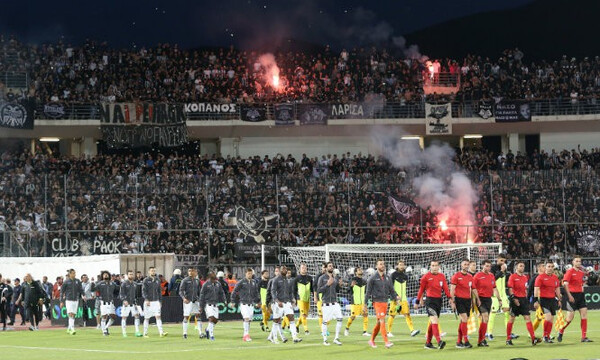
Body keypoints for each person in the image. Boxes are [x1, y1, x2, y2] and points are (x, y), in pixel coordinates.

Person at [415, 260, 453, 350]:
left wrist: (450, 298)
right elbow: (421, 290)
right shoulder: (425, 277)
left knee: (432, 322)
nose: (435, 267)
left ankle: (428, 343)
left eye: (436, 265)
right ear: (430, 267)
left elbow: (446, 288)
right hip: (430, 301)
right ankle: (439, 341)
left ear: (438, 266)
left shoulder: (442, 276)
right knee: (434, 320)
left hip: (438, 301)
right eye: (433, 265)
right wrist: (417, 301)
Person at [365, 259, 399, 349]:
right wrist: (365, 304)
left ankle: (371, 340)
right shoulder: (372, 278)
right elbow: (368, 292)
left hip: (385, 302)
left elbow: (392, 290)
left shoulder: (388, 277)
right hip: (377, 302)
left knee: (379, 322)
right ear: (376, 266)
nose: (382, 266)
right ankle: (386, 342)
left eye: (383, 264)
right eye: (380, 264)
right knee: (383, 320)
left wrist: (396, 298)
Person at [506, 260, 541, 346]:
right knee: (511, 319)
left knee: (528, 318)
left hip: (523, 300)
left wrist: (526, 299)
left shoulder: (525, 277)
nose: (522, 267)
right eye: (520, 266)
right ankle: (508, 339)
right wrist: (514, 299)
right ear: (516, 267)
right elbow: (510, 288)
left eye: (523, 266)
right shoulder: (512, 277)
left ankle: (533, 339)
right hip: (515, 300)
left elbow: (525, 289)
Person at [559, 256, 592, 343]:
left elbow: (581, 284)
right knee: (569, 318)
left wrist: (582, 291)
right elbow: (565, 284)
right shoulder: (569, 272)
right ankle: (561, 330)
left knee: (584, 315)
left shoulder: (581, 273)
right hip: (572, 295)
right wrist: (569, 296)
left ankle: (584, 337)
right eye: (577, 261)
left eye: (580, 261)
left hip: (580, 296)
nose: (578, 262)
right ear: (573, 262)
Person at [473, 259, 502, 347]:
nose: (488, 268)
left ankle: (481, 340)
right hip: (480, 299)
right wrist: (476, 299)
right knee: (485, 318)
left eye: (489, 266)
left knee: (485, 320)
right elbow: (473, 289)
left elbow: (494, 288)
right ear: (482, 266)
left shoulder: (491, 276)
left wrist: (499, 299)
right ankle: (481, 340)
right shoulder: (477, 276)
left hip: (488, 299)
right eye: (486, 266)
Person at [387, 260, 419, 337]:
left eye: (403, 265)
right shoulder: (393, 275)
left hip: (404, 299)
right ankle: (389, 332)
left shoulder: (405, 276)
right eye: (400, 265)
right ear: (397, 266)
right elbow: (390, 287)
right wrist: (395, 296)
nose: (402, 266)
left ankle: (412, 330)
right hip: (395, 299)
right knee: (392, 315)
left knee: (407, 314)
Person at [271, 265, 302, 343]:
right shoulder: (276, 280)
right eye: (283, 269)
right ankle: (274, 338)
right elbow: (273, 291)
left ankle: (294, 337)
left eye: (285, 269)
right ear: (280, 270)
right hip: (279, 303)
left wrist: (293, 299)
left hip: (287, 302)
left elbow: (290, 292)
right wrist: (277, 301)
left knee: (291, 318)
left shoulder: (289, 280)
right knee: (276, 320)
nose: (285, 270)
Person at [534, 261, 562, 343]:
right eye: (548, 266)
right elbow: (536, 289)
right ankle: (545, 336)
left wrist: (559, 299)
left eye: (552, 266)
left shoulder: (555, 278)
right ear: (545, 267)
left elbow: (557, 289)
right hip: (543, 300)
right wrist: (536, 301)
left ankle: (547, 336)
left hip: (552, 300)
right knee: (548, 317)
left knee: (551, 319)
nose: (550, 268)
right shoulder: (540, 277)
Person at [317, 262, 344, 346]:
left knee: (340, 319)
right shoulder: (322, 278)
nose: (331, 267)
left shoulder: (335, 278)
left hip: (335, 303)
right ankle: (325, 340)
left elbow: (337, 290)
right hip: (326, 304)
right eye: (329, 266)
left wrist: (340, 285)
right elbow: (319, 290)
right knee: (325, 322)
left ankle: (336, 338)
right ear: (326, 268)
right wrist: (327, 284)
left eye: (332, 266)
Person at [231, 268, 261, 342]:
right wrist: (232, 301)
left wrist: (258, 301)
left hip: (251, 304)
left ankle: (246, 334)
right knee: (246, 318)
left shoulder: (254, 282)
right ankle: (246, 335)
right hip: (243, 303)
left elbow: (256, 293)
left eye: (251, 273)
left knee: (249, 320)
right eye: (248, 273)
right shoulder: (241, 282)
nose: (250, 275)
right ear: (245, 274)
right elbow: (234, 291)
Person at [450, 259, 474, 348]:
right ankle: (466, 341)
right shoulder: (456, 276)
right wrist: (452, 302)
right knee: (464, 319)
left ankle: (459, 342)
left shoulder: (470, 276)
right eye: (465, 264)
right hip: (459, 300)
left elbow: (472, 289)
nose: (466, 266)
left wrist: (473, 301)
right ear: (461, 265)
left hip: (467, 300)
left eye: (468, 264)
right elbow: (452, 289)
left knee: (463, 321)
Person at [488, 254, 513, 340]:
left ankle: (509, 332)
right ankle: (489, 333)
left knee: (507, 313)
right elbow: (492, 280)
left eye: (504, 261)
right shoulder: (493, 269)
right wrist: (501, 272)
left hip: (503, 295)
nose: (503, 263)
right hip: (495, 295)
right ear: (497, 259)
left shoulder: (504, 269)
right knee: (493, 314)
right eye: (501, 260)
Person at [199, 271, 226, 341]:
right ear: (209, 277)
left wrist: (224, 300)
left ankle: (207, 329)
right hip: (208, 304)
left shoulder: (218, 284)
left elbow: (221, 292)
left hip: (215, 304)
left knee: (215, 320)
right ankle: (211, 335)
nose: (214, 278)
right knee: (211, 318)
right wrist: (201, 306)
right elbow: (202, 295)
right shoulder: (206, 284)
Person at [142, 266, 168, 337]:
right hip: (149, 301)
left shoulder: (157, 280)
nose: (153, 272)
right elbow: (144, 291)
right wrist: (146, 299)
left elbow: (159, 291)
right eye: (152, 271)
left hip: (156, 301)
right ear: (149, 272)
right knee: (147, 318)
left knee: (158, 316)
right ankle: (145, 333)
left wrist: (160, 301)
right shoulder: (146, 280)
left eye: (154, 271)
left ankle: (161, 332)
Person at [345, 267, 369, 337]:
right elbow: (348, 290)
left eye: (361, 269)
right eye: (359, 270)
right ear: (356, 272)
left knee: (365, 315)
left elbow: (366, 291)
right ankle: (347, 328)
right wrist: (351, 286)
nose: (361, 270)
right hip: (355, 302)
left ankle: (365, 331)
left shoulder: (364, 281)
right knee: (353, 317)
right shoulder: (353, 280)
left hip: (362, 302)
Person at [179, 267, 202, 339]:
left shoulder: (197, 281)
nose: (190, 272)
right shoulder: (185, 280)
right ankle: (184, 333)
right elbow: (181, 291)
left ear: (195, 272)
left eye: (192, 271)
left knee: (198, 316)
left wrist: (200, 300)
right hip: (188, 301)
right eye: (189, 271)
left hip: (195, 301)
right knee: (186, 316)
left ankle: (200, 333)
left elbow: (200, 292)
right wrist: (184, 298)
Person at [60, 269, 84, 335]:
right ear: (70, 274)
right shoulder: (66, 282)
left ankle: (69, 328)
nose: (74, 274)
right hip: (68, 299)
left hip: (76, 299)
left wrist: (83, 295)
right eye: (73, 273)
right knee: (70, 313)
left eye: (74, 273)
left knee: (73, 314)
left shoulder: (77, 281)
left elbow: (80, 289)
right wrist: (61, 301)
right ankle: (72, 328)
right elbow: (62, 292)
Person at [119, 270, 142, 337]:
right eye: (129, 274)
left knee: (137, 316)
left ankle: (137, 331)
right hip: (126, 303)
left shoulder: (135, 284)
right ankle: (124, 332)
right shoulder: (124, 284)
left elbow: (136, 294)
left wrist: (136, 302)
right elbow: (121, 294)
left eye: (132, 274)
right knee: (124, 317)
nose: (131, 275)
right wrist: (124, 300)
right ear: (127, 275)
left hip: (133, 303)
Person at [95, 270, 117, 336]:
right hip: (103, 302)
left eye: (107, 274)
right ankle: (104, 331)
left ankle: (106, 327)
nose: (105, 275)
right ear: (102, 276)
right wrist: (98, 296)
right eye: (104, 274)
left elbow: (117, 290)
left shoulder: (112, 283)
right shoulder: (100, 283)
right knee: (104, 316)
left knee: (113, 317)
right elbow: (95, 290)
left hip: (111, 302)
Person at [294, 263, 313, 335]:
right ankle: (306, 330)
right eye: (302, 268)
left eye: (305, 268)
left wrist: (315, 297)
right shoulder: (297, 279)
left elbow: (312, 289)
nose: (304, 269)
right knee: (303, 314)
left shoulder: (310, 278)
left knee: (304, 315)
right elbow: (294, 290)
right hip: (300, 299)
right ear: (300, 269)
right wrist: (295, 299)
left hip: (307, 299)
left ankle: (296, 326)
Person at [528, 262, 546, 333]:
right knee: (544, 316)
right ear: (539, 268)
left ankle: (531, 332)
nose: (545, 267)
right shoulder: (535, 278)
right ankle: (546, 335)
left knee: (539, 318)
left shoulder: (546, 277)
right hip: (538, 300)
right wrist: (529, 301)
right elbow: (529, 290)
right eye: (543, 266)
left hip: (545, 299)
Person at [314, 262, 327, 330]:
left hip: (327, 298)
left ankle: (324, 327)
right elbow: (315, 287)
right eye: (323, 267)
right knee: (321, 314)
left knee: (327, 315)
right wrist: (315, 297)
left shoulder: (329, 276)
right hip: (319, 297)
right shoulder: (318, 276)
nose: (324, 269)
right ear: (322, 268)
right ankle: (323, 330)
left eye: (325, 267)